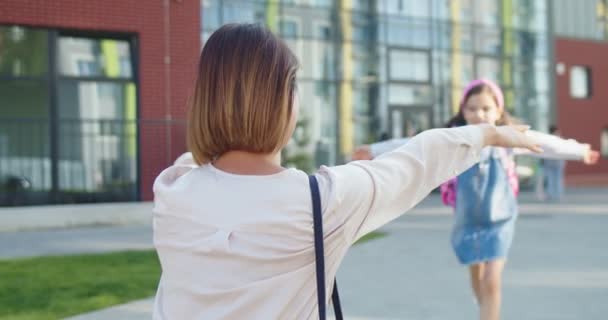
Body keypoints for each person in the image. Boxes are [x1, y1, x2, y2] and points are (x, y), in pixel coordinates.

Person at [151, 25, 543, 320]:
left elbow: (195, 161)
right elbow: (416, 162)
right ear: (282, 102)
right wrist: (488, 133)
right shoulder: (322, 203)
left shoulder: (172, 191)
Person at [360, 79, 599, 320]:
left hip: (500, 221)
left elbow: (545, 143)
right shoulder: (456, 142)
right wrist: (374, 150)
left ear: (498, 111)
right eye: (472, 108)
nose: (479, 114)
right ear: (463, 111)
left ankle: (488, 309)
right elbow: (414, 146)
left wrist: (580, 151)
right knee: (477, 278)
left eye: (486, 108)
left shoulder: (508, 140)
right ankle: (484, 306)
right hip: (467, 222)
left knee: (491, 281)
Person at [542, 125, 567, 201]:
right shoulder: (559, 139)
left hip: (550, 162)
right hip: (557, 162)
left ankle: (552, 194)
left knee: (551, 179)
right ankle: (557, 195)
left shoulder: (546, 139)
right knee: (557, 179)